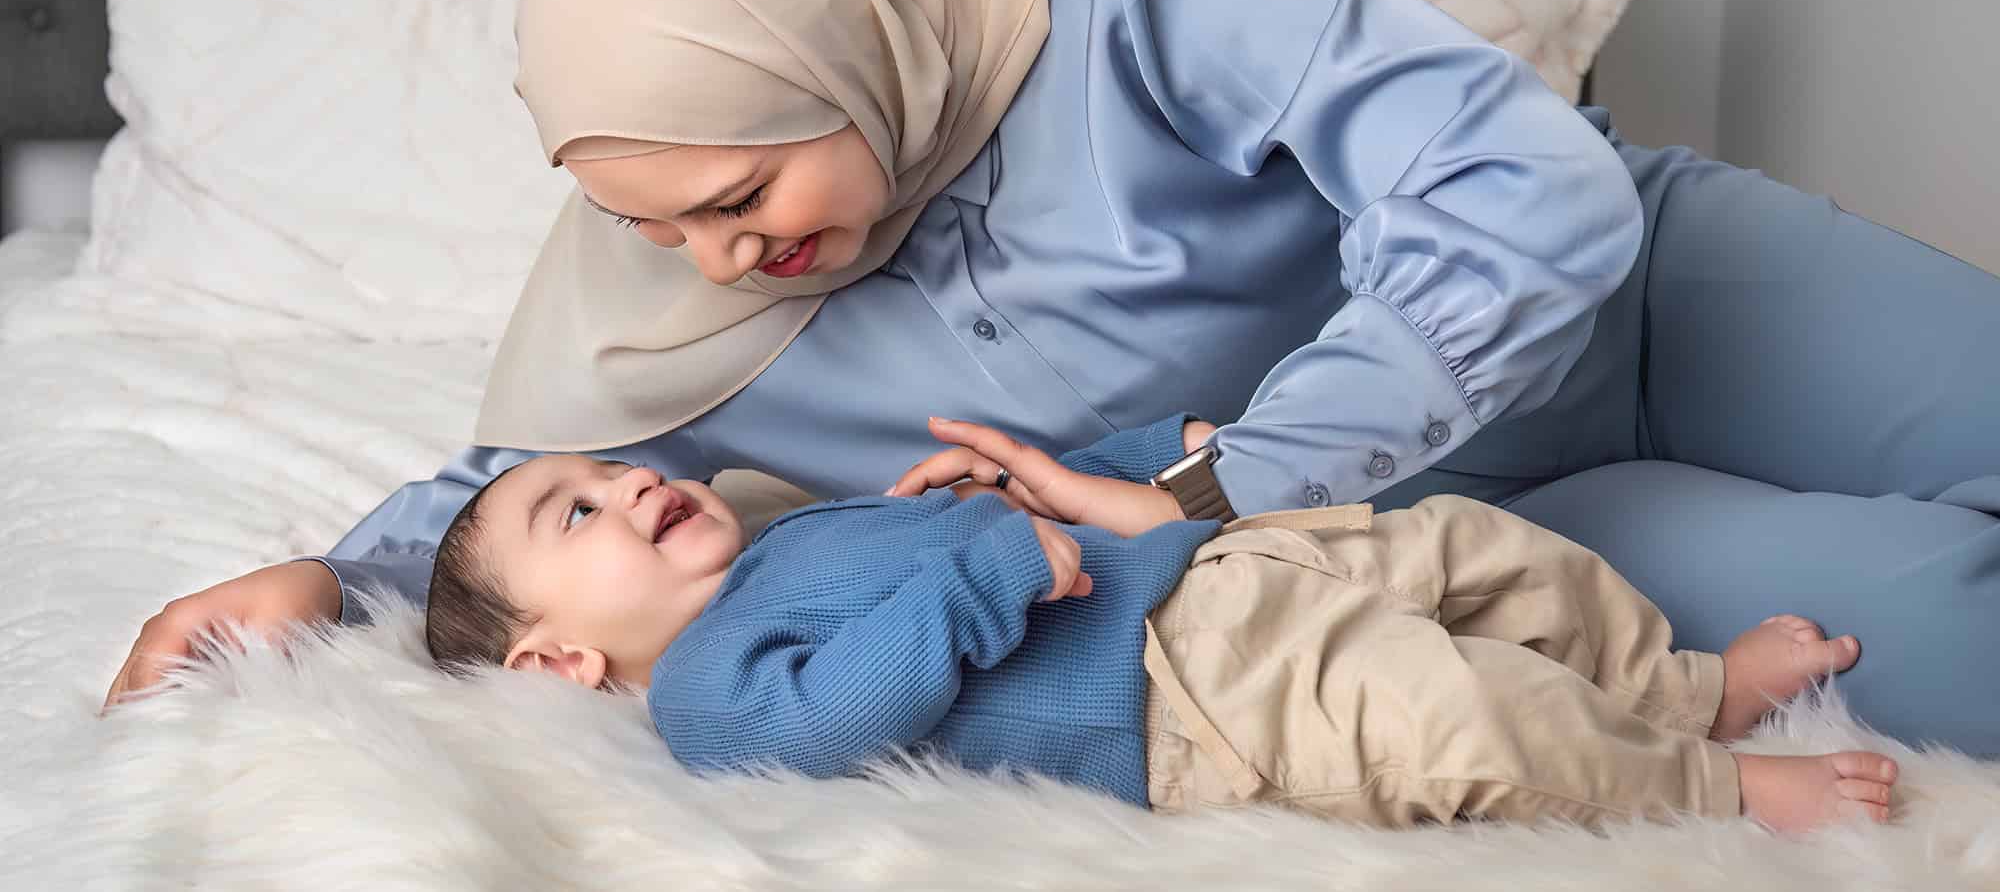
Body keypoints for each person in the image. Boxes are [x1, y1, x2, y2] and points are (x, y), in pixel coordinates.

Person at [104, 0, 2000, 758]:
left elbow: (1525, 194)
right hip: (1468, 548)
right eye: (644, 219)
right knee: (1963, 645)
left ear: (850, 30)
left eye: (745, 194)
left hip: (1651, 296)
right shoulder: (678, 293)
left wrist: (1216, 481)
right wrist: (319, 578)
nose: (713, 263)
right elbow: (537, 506)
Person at [422, 414, 1897, 832]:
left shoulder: (796, 533)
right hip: (1185, 699)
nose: (630, 485)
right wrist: (981, 568)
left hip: (1224, 571)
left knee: (1489, 555)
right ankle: (1712, 787)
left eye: (613, 470)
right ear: (560, 660)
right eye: (577, 514)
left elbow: (1050, 518)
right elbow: (835, 719)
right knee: (1455, 714)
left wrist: (1123, 468)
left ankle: (1677, 686)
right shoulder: (704, 694)